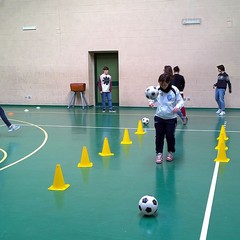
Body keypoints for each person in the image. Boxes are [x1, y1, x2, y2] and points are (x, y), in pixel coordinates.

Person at [149, 66, 184, 164]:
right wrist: (151, 102)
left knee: (170, 136)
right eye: (160, 83)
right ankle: (159, 153)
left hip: (171, 118)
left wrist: (177, 107)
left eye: (164, 84)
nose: (162, 85)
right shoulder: (157, 89)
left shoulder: (174, 90)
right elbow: (153, 98)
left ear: (168, 83)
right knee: (159, 136)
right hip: (159, 117)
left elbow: (181, 101)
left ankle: (170, 152)